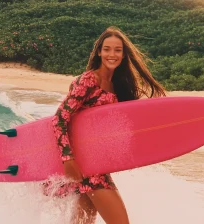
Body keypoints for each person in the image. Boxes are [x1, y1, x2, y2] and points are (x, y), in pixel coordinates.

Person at [47, 26, 167, 224]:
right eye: (107, 49)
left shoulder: (117, 85)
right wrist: (67, 159)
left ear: (123, 54)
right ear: (99, 52)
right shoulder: (88, 80)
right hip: (85, 167)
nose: (112, 54)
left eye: (117, 50)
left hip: (97, 165)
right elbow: (60, 118)